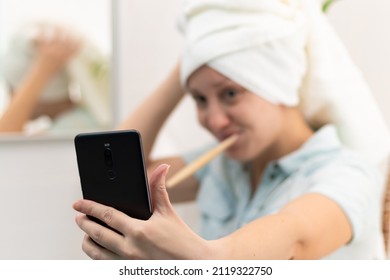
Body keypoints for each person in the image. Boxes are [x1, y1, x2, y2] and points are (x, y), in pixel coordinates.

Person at [73, 0, 390, 259]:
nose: (214, 120)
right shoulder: (222, 165)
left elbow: (295, 237)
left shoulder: (349, 173)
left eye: (230, 93)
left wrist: (200, 259)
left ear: (277, 84)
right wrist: (188, 66)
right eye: (199, 98)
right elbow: (121, 179)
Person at [0, 23, 111, 134]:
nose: (13, 99)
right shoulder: (78, 119)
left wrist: (42, 72)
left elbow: (4, 139)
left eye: (15, 90)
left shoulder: (73, 127)